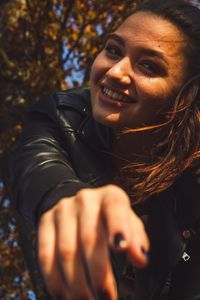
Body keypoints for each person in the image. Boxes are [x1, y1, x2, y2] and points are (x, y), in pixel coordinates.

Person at [10, 0, 200, 299]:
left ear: (186, 96)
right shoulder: (60, 114)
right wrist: (66, 200)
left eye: (148, 66)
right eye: (113, 50)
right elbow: (36, 168)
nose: (115, 72)